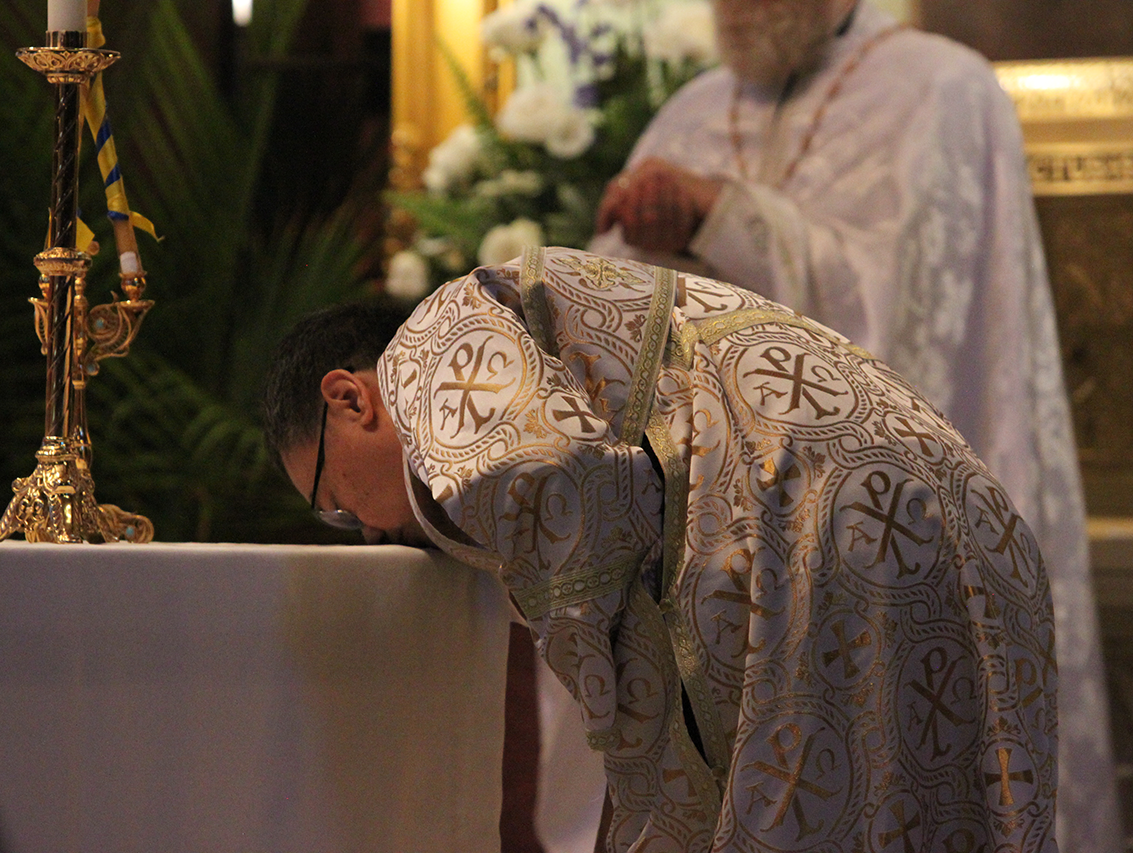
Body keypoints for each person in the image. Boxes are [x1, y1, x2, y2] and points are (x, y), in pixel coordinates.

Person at [264, 246, 1057, 853]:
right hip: (953, 508)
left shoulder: (431, 347)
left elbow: (554, 478)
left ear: (349, 397)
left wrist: (619, 732)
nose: (368, 530)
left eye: (335, 503)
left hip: (819, 514)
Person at [590, 2, 1118, 850]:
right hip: (703, 541)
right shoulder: (689, 109)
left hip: (869, 536)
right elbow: (610, 318)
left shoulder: (941, 89)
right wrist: (637, 240)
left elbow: (901, 331)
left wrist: (723, 214)